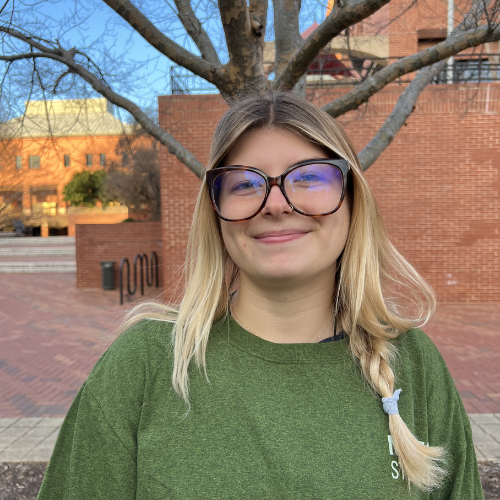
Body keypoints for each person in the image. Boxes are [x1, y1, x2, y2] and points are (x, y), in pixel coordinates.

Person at [36, 91, 483, 499]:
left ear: (353, 201)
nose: (275, 203)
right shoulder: (147, 363)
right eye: (245, 184)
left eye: (308, 177)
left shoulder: (414, 365)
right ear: (216, 214)